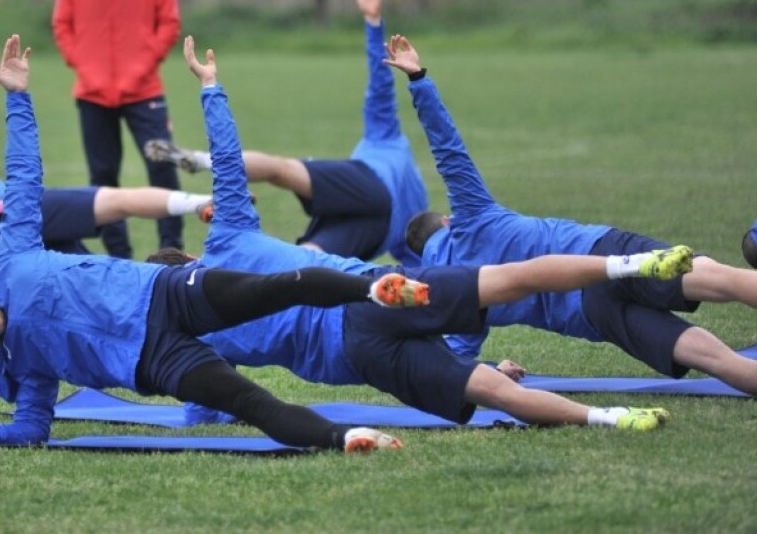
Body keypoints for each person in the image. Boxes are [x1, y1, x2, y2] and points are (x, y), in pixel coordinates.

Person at [143, 36, 689, 432]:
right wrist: (211, 87)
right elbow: (230, 167)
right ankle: (630, 265)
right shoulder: (228, 237)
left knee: (487, 390)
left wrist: (190, 419)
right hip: (376, 293)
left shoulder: (199, 335)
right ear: (191, 255)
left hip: (359, 357)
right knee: (512, 280)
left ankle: (611, 419)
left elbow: (205, 403)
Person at [0, 34, 431, 454]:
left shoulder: (10, 261)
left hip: (166, 292)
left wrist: (17, 97)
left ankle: (371, 289)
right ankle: (350, 438)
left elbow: (24, 178)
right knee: (249, 404)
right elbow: (35, 426)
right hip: (155, 362)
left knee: (276, 288)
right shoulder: (20, 361)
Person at [388, 33, 757, 396]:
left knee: (710, 358)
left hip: (589, 312)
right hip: (601, 251)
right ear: (447, 222)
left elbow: (450, 361)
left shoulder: (463, 295)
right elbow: (448, 149)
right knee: (723, 280)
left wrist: (490, 369)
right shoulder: (472, 217)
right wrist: (418, 79)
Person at [0, 22, 213, 315]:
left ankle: (174, 278)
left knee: (102, 272)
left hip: (22, 252)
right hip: (33, 212)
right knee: (115, 202)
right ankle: (196, 209)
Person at [145, 0, 428, 265]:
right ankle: (213, 270)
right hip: (381, 231)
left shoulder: (387, 138)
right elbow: (423, 260)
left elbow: (380, 81)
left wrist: (374, 23)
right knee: (304, 260)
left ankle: (202, 159)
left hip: (366, 182)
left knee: (283, 170)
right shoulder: (420, 215)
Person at [51, 0, 184, 258]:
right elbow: (62, 24)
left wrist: (142, 68)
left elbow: (169, 23)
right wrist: (84, 67)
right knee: (103, 180)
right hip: (93, 94)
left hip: (144, 90)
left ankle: (171, 251)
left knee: (162, 168)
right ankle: (119, 256)